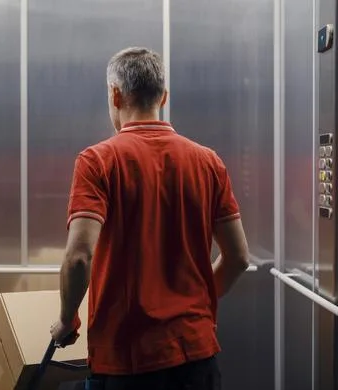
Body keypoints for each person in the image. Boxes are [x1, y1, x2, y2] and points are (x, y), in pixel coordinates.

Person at [49, 47, 251, 390]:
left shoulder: (98, 161)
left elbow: (80, 256)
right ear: (163, 96)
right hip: (196, 354)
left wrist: (67, 320)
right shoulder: (208, 162)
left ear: (115, 94)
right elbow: (239, 258)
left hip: (129, 360)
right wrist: (195, 310)